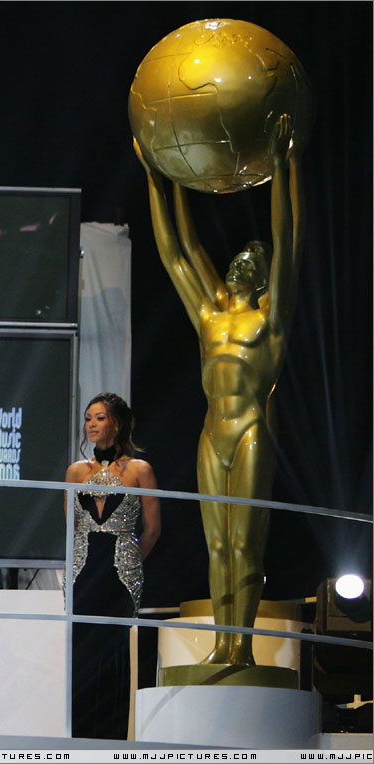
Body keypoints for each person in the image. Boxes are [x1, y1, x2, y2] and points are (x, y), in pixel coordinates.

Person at [135, 113, 301, 666]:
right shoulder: (208, 316)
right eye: (237, 258)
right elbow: (177, 251)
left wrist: (283, 166)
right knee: (217, 545)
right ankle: (221, 645)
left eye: (251, 262)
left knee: (246, 543)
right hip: (213, 432)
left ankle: (242, 648)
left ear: (263, 277)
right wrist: (162, 177)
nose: (238, 264)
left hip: (251, 428)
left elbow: (288, 239)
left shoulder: (269, 320)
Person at [65, 392, 160, 740]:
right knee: (81, 655)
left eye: (99, 418)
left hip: (120, 574)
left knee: (114, 654)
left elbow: (152, 530)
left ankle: (112, 744)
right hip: (83, 571)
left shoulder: (140, 470)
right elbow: (71, 528)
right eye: (88, 418)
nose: (91, 424)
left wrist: (130, 562)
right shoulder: (76, 472)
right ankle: (78, 744)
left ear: (117, 424)